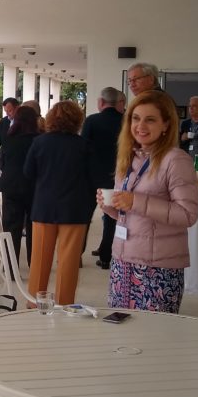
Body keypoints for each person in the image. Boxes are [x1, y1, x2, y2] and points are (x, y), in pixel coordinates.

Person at [96, 89, 198, 397]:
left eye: (150, 119)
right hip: (124, 263)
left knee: (154, 347)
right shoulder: (132, 157)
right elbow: (130, 216)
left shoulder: (175, 160)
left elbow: (188, 215)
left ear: (166, 124)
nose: (141, 126)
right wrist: (111, 206)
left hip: (157, 269)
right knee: (125, 341)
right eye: (135, 119)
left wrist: (136, 201)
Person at [24, 101, 93, 305]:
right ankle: (64, 304)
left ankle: (33, 303)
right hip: (74, 209)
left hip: (44, 207)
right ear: (77, 120)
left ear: (51, 118)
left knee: (39, 261)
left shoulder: (39, 142)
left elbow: (28, 172)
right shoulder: (84, 145)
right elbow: (93, 178)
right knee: (68, 262)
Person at [81, 87, 124, 269]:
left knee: (84, 217)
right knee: (112, 217)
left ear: (101, 102)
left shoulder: (92, 120)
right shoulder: (125, 121)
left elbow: (82, 148)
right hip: (116, 176)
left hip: (91, 177)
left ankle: (77, 255)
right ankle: (106, 256)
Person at [0, 105, 41, 266]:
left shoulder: (8, 139)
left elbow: (2, 164)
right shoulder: (40, 140)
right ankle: (34, 265)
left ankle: (10, 266)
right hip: (34, 187)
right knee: (33, 227)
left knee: (11, 228)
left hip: (11, 186)